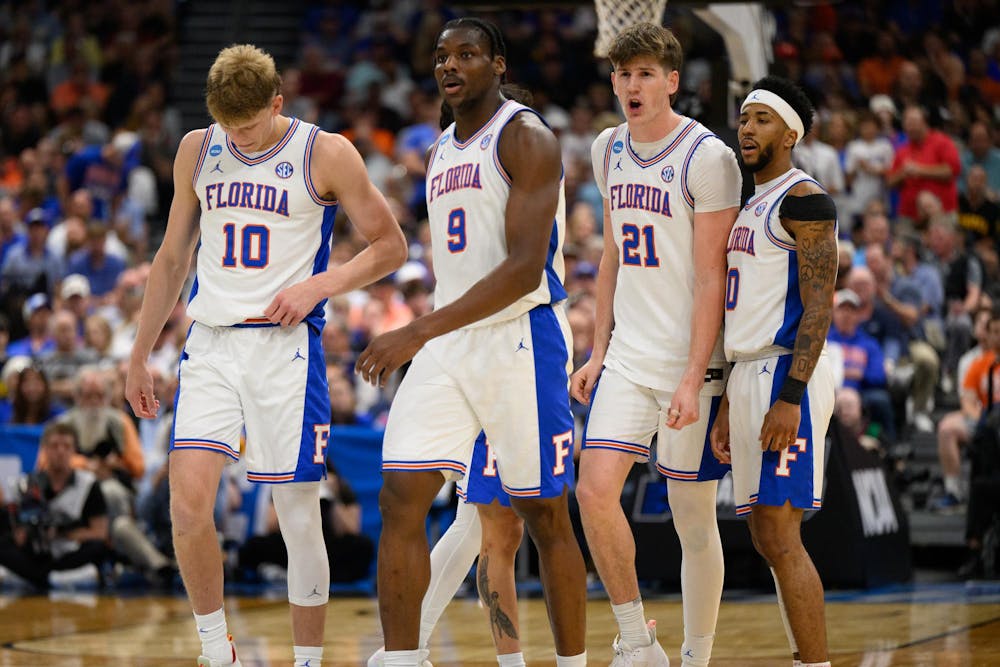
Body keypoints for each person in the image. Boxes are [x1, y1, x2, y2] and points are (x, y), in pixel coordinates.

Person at [124, 44, 407, 667]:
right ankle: (213, 651)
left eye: (248, 126)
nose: (238, 138)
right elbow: (172, 258)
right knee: (187, 505)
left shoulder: (325, 152)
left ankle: (307, 660)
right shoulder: (198, 149)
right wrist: (140, 352)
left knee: (299, 516)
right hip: (211, 345)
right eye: (227, 125)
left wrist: (317, 286)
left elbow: (391, 246)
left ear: (278, 103)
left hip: (286, 349)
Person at [355, 17, 587, 667]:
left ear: (499, 65)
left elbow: (521, 269)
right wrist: (430, 333)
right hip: (452, 341)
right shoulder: (440, 150)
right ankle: (403, 657)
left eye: (467, 54)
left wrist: (416, 330)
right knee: (400, 492)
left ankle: (572, 662)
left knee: (544, 513)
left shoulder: (527, 138)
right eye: (441, 56)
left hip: (521, 336)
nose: (450, 65)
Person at [568, 22, 741, 667]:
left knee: (691, 520)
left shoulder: (707, 157)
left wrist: (696, 377)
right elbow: (611, 256)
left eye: (645, 74)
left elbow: (709, 277)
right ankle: (638, 641)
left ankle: (695, 654)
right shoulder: (606, 148)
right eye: (623, 74)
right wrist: (595, 349)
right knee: (593, 491)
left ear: (672, 82)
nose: (632, 85)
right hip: (628, 359)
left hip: (689, 361)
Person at [710, 75, 838, 667]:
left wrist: (791, 396)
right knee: (765, 534)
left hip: (787, 372)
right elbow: (747, 310)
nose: (746, 128)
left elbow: (819, 305)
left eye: (761, 119)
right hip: (750, 372)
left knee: (782, 534)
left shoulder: (803, 198)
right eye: (743, 118)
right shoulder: (751, 201)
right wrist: (734, 398)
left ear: (790, 133)